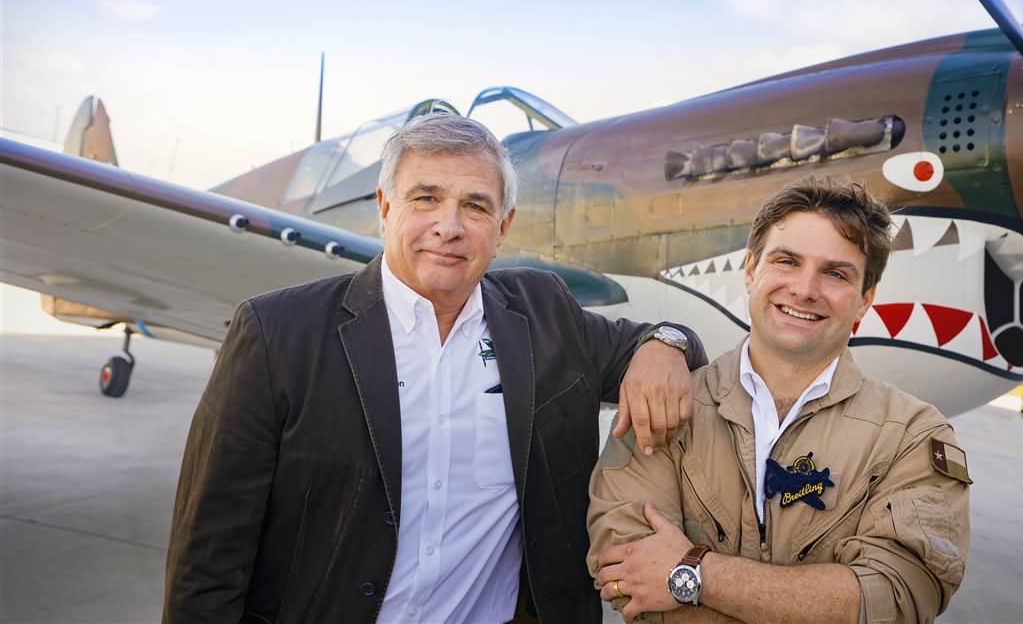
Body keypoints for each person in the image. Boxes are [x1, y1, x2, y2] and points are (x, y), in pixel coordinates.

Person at [164, 113, 707, 624]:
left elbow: (652, 341)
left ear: (503, 225)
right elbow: (210, 547)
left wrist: (667, 342)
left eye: (475, 206)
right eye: (426, 198)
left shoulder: (544, 313)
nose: (449, 226)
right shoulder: (276, 331)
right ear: (385, 207)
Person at [588, 179, 971, 624]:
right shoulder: (665, 403)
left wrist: (691, 573)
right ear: (751, 271)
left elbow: (896, 597)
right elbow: (623, 570)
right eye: (786, 261)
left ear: (866, 299)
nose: (805, 289)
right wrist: (817, 600)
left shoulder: (914, 435)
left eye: (835, 273)